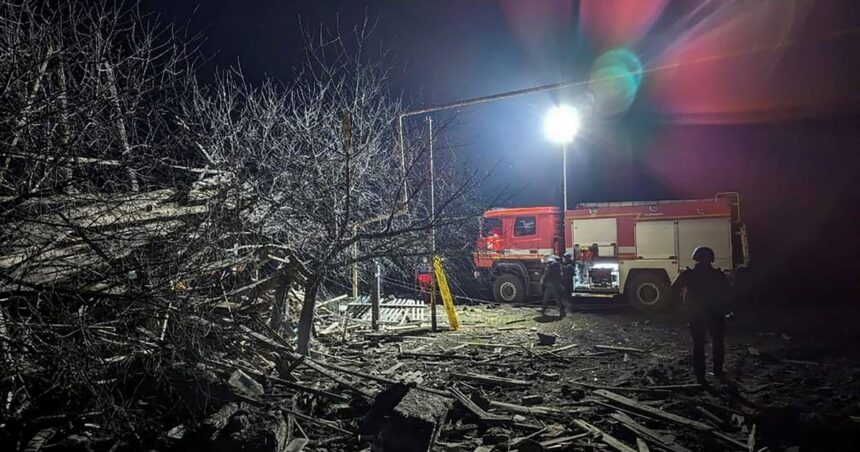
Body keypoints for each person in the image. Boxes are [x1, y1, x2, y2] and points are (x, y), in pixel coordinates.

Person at [671, 246, 731, 385]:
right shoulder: (718, 274)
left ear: (695, 258)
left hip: (696, 314)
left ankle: (700, 377)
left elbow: (673, 289)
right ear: (711, 259)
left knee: (698, 345)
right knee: (718, 343)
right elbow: (728, 293)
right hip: (715, 313)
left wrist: (681, 306)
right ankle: (718, 371)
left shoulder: (688, 274)